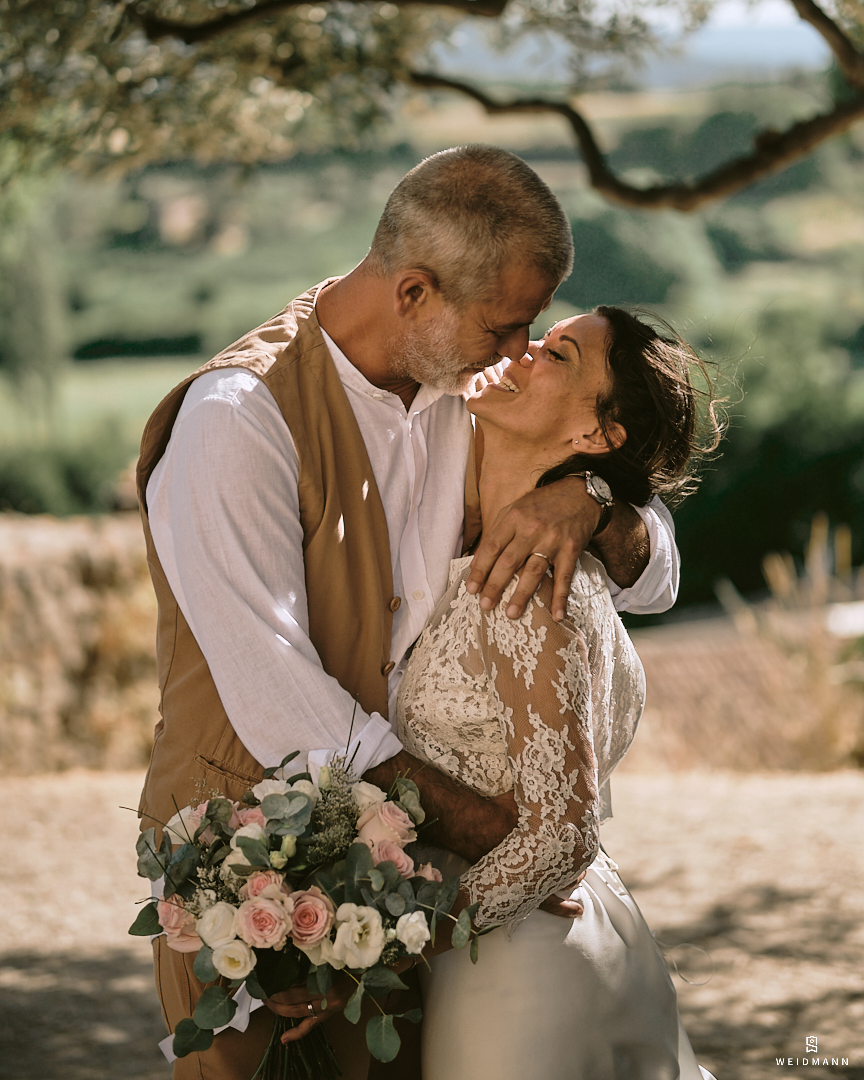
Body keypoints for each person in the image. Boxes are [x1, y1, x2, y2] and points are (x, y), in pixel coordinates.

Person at [136, 146, 681, 1080]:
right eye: (507, 327)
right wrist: (506, 836)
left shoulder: (457, 386)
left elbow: (651, 575)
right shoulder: (239, 421)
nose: (517, 354)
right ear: (416, 292)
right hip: (261, 867)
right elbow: (283, 702)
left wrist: (596, 501)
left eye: (535, 332)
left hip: (427, 891)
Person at [397, 308, 719, 1078]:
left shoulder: (534, 582)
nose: (523, 350)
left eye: (557, 353)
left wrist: (388, 940)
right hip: (549, 941)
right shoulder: (520, 555)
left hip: (519, 971)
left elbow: (561, 839)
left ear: (597, 435)